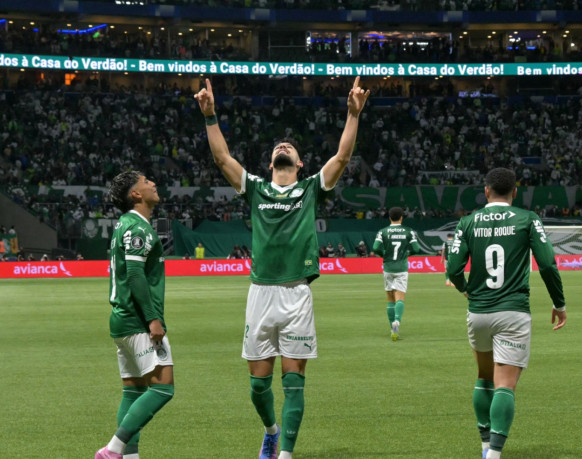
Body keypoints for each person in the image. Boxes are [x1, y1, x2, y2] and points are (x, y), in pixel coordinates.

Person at [195, 76, 369, 459]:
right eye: (279, 146)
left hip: (296, 294)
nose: (284, 146)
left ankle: (285, 453)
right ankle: (271, 430)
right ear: (271, 162)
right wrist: (210, 116)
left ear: (300, 163)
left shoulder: (309, 190)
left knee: (294, 383)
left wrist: (353, 115)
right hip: (260, 293)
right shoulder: (256, 188)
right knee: (258, 386)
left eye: (290, 146)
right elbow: (222, 158)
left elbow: (341, 157)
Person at [446, 168, 567, 459]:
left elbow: (452, 269)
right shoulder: (528, 219)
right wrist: (559, 304)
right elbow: (548, 265)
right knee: (505, 384)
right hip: (513, 311)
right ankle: (495, 455)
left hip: (478, 312)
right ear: (515, 192)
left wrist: (466, 290)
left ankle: (485, 446)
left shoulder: (468, 221)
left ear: (486, 191)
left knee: (484, 377)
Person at [94, 170, 174, 459]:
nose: (153, 183)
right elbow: (136, 275)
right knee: (164, 388)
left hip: (121, 319)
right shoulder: (139, 228)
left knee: (133, 392)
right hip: (138, 321)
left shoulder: (123, 226)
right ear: (136, 194)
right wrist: (153, 318)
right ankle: (112, 450)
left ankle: (129, 456)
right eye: (146, 182)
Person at [372, 206, 421, 341]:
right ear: (401, 218)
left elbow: (375, 248)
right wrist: (407, 254)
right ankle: (397, 322)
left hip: (388, 267)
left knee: (390, 300)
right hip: (401, 268)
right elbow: (417, 249)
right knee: (400, 298)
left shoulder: (383, 232)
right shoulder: (408, 231)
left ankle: (392, 328)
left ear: (389, 217)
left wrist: (384, 255)